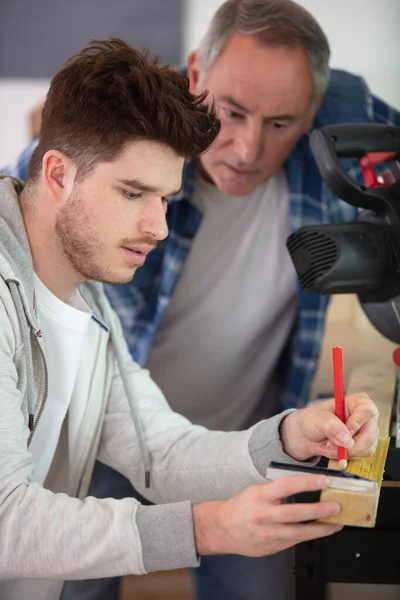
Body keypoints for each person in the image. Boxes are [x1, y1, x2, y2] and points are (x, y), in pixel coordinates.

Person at [4, 2, 398, 600]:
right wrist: (205, 527)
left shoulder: (85, 299)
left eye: (165, 198)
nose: (158, 227)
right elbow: (9, 524)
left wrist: (292, 434)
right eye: (134, 192)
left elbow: (158, 451)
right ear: (57, 175)